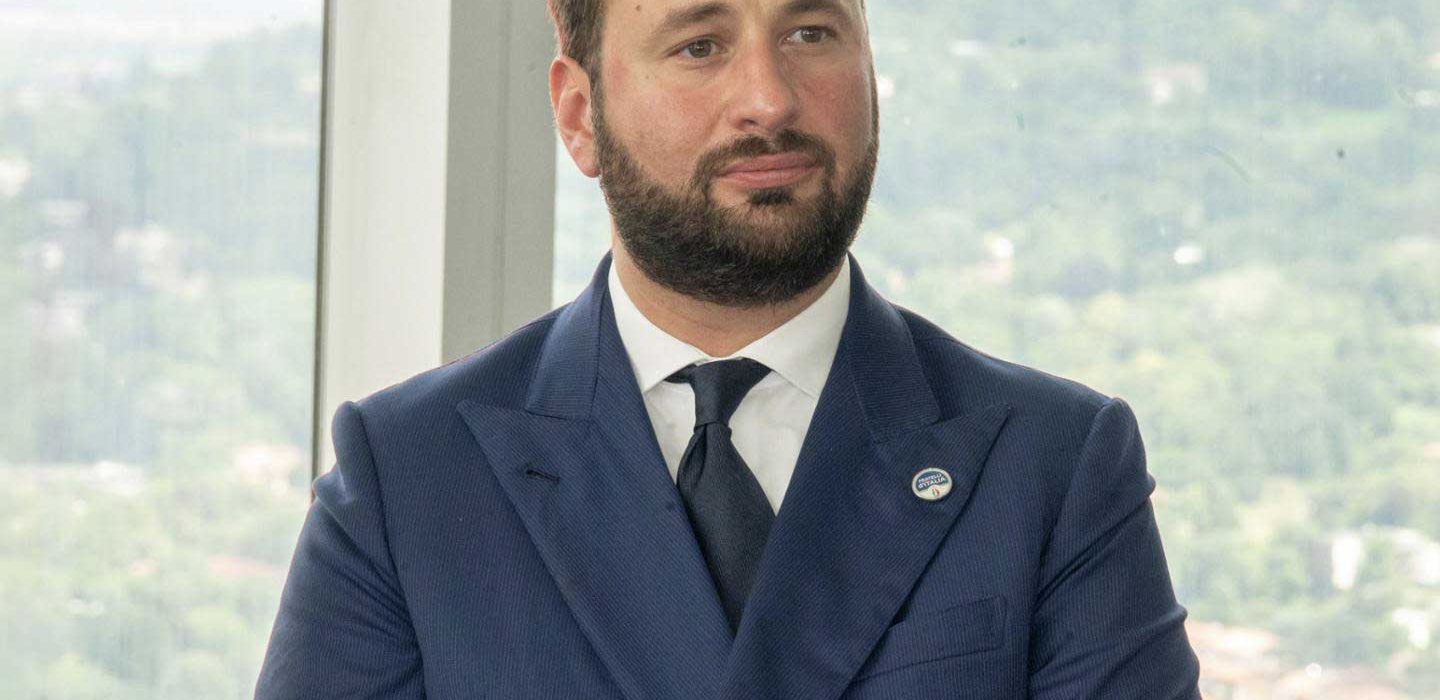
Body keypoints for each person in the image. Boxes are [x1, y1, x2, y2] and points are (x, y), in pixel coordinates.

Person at [256, 0, 1202, 697]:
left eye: (811, 33)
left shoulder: (1055, 463)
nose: (769, 99)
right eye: (699, 45)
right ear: (580, 116)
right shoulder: (408, 478)